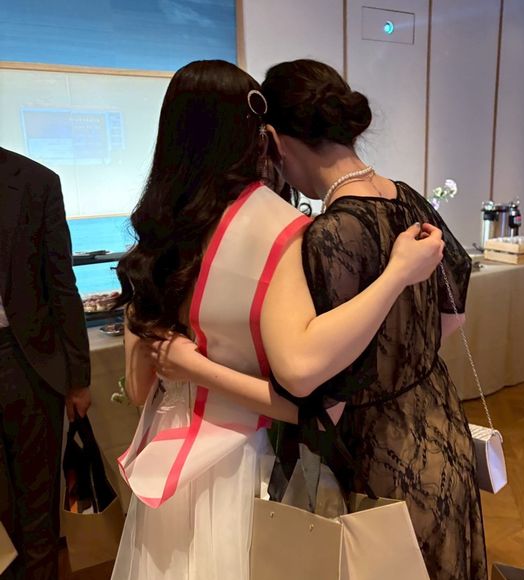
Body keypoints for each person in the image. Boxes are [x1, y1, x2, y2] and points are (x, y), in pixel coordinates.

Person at [110, 59, 444, 580]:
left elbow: (137, 391)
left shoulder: (156, 239)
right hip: (248, 460)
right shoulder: (284, 229)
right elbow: (304, 400)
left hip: (168, 463)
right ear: (257, 135)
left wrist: (184, 366)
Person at [257, 59, 487, 580]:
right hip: (442, 425)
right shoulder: (409, 199)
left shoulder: (330, 233)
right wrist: (407, 355)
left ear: (276, 141)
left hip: (381, 453)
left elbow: (322, 377)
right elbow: (454, 310)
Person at [0, 147, 91, 580]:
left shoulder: (37, 181)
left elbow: (62, 285)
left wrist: (79, 379)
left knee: (38, 510)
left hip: (27, 363)